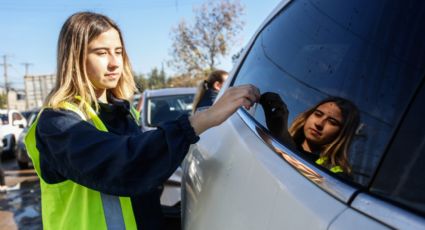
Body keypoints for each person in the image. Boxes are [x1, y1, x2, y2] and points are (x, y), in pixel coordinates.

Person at [24, 12, 260, 230]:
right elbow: (124, 164)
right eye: (101, 52)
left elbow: (141, 193)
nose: (115, 62)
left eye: (118, 51)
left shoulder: (125, 113)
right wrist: (198, 121)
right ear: (74, 58)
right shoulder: (57, 123)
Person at [260, 92, 359, 175]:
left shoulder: (337, 173)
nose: (319, 124)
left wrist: (282, 135)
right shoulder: (272, 138)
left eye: (332, 122)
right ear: (307, 116)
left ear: (343, 134)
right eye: (318, 114)